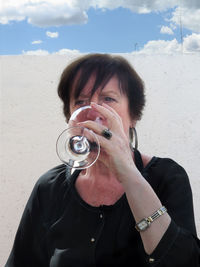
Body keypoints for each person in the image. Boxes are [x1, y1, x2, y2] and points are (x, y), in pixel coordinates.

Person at [5, 53, 200, 267]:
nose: (92, 112)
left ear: (133, 115)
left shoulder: (167, 177)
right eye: (80, 101)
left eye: (108, 99)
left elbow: (183, 262)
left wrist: (128, 173)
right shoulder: (50, 187)